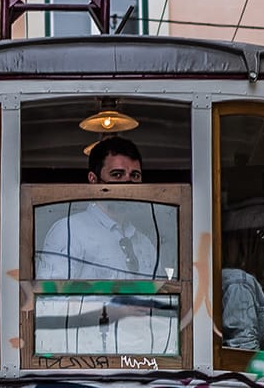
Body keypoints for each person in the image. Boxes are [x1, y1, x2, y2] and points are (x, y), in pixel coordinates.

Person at [36, 138, 176, 355]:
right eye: (117, 175)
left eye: (134, 176)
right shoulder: (69, 231)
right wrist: (113, 311)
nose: (127, 184)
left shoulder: (144, 242)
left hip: (145, 359)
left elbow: (159, 299)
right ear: (93, 180)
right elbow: (49, 307)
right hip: (88, 363)